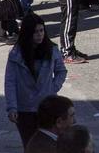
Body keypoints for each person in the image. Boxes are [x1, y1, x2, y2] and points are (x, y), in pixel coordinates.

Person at [4, 12, 67, 146]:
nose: (39, 35)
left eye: (41, 30)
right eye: (35, 32)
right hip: (25, 108)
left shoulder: (52, 50)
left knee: (48, 144)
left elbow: (61, 71)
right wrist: (12, 107)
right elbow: (10, 81)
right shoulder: (16, 54)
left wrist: (53, 87)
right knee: (29, 145)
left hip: (47, 106)